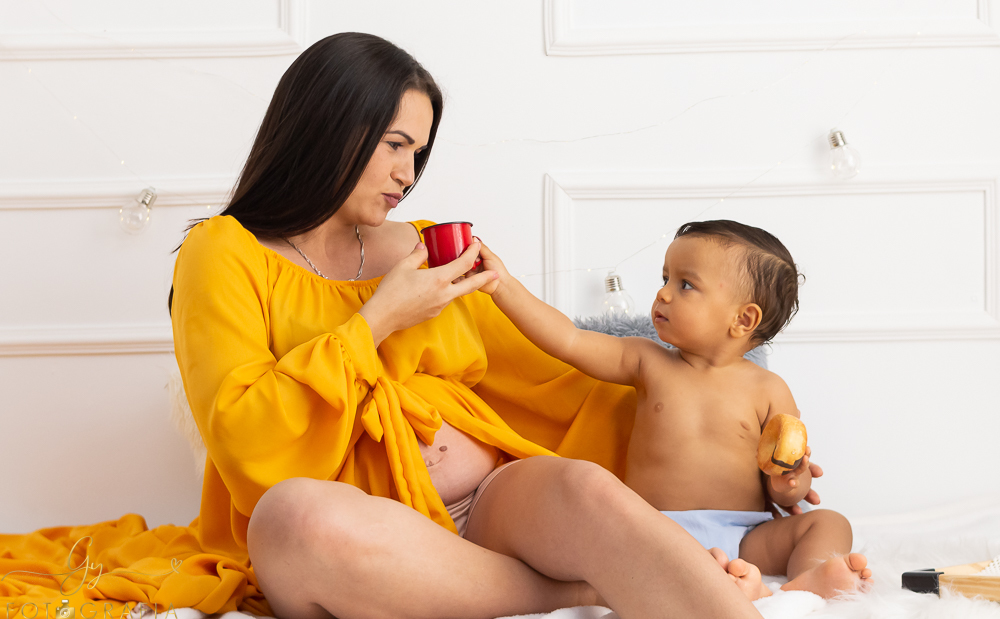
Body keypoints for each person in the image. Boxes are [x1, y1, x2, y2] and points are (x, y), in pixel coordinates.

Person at [167, 33, 776, 619]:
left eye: (417, 153)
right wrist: (379, 318)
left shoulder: (428, 245)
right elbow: (242, 433)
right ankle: (581, 585)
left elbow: (550, 372)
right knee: (292, 519)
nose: (408, 174)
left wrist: (733, 432)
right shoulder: (222, 252)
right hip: (360, 532)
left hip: (491, 502)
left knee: (583, 488)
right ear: (328, 126)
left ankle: (650, 580)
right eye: (395, 145)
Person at [476, 220, 874, 600]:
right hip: (653, 531)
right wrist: (503, 285)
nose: (663, 293)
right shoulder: (646, 361)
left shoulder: (769, 389)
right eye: (665, 278)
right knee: (584, 536)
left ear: (743, 319)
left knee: (829, 523)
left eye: (685, 284)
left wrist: (791, 481)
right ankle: (727, 584)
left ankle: (806, 582)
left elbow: (786, 486)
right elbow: (569, 339)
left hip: (744, 536)